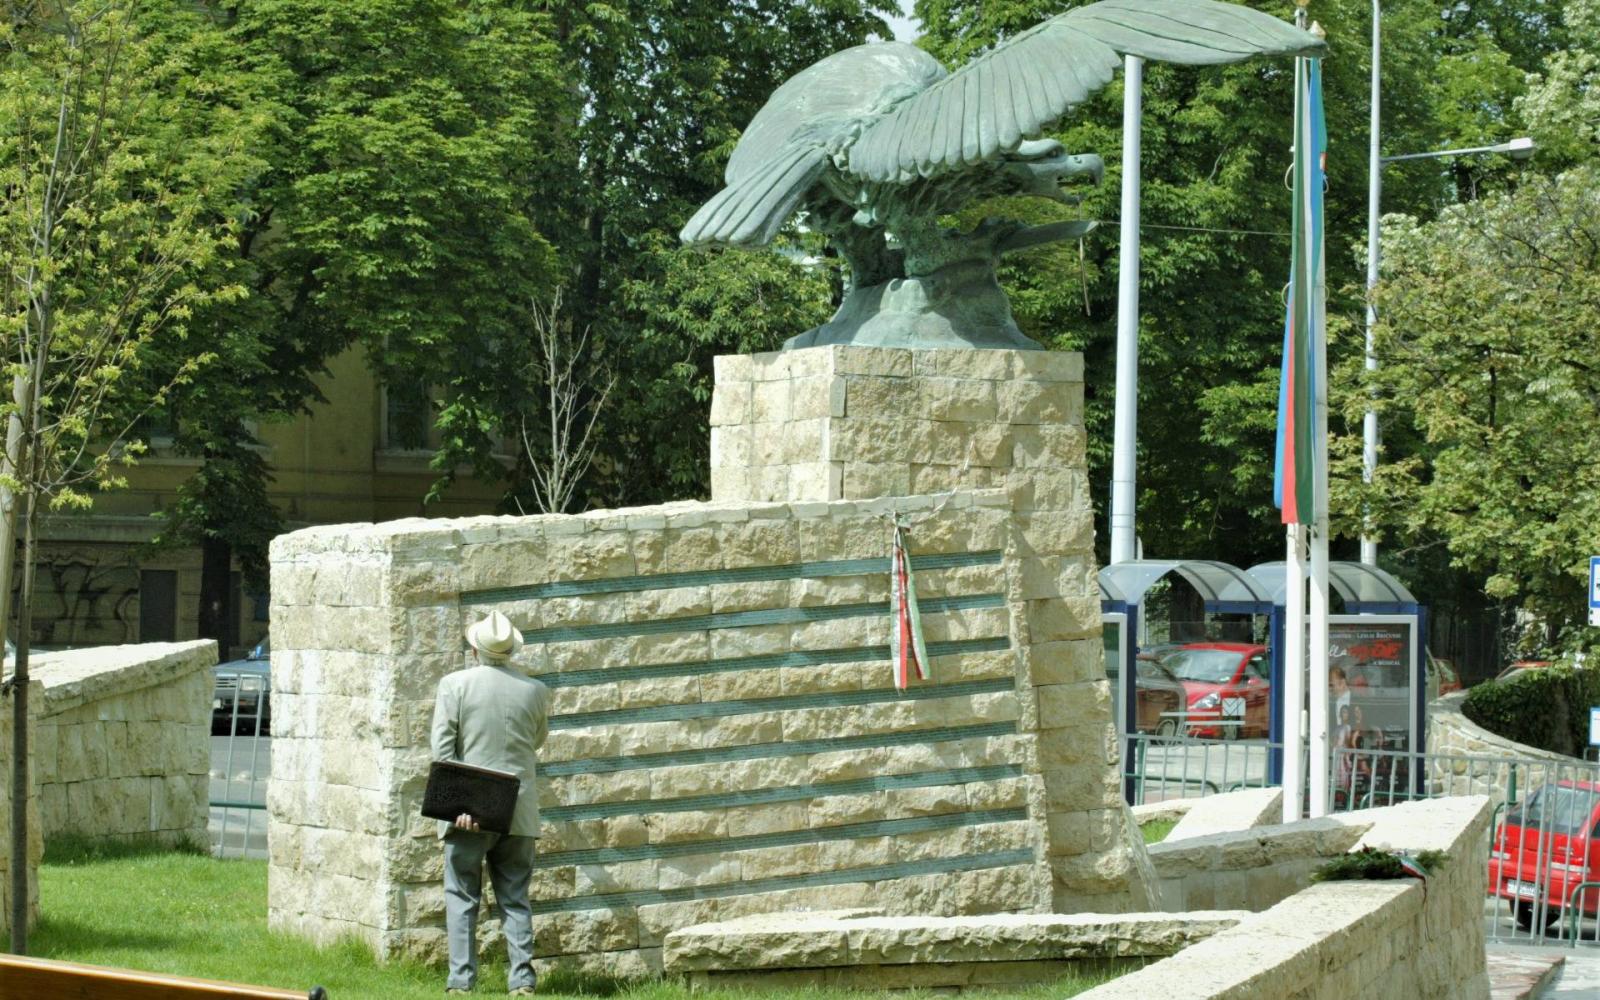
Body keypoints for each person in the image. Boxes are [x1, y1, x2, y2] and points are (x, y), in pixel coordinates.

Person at [431, 610, 552, 996]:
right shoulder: (535, 690)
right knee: (515, 896)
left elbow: (443, 753)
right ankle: (522, 981)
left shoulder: (454, 685)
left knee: (462, 894)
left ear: (474, 649)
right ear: (511, 650)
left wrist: (458, 806)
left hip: (469, 810)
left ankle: (461, 982)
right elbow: (536, 741)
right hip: (519, 809)